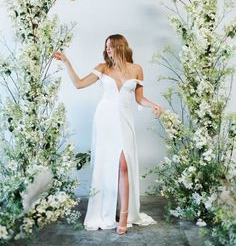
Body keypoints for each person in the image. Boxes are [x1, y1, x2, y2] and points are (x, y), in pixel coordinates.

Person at [53, 34, 162, 234]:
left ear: (120, 46)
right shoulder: (103, 67)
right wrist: (67, 61)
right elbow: (78, 84)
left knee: (125, 164)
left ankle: (125, 216)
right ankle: (110, 212)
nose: (108, 50)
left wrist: (153, 105)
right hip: (105, 119)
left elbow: (139, 98)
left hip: (124, 118)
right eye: (106, 47)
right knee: (111, 164)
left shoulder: (136, 69)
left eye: (110, 46)